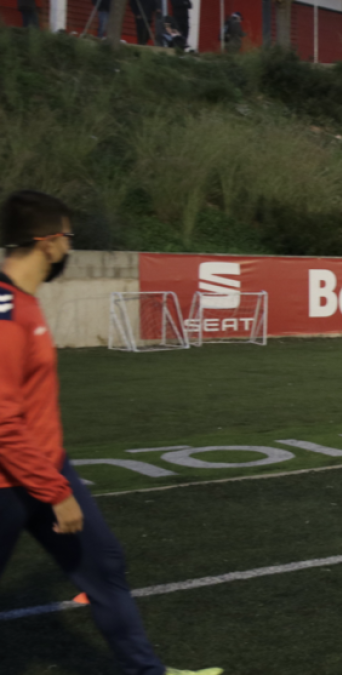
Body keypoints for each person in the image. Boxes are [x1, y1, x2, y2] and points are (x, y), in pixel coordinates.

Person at [0, 191, 223, 675]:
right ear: (49, 241)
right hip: (13, 483)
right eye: (68, 237)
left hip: (46, 469)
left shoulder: (23, 304)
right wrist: (55, 490)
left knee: (104, 566)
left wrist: (55, 478)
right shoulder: (7, 315)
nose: (69, 248)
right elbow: (1, 421)